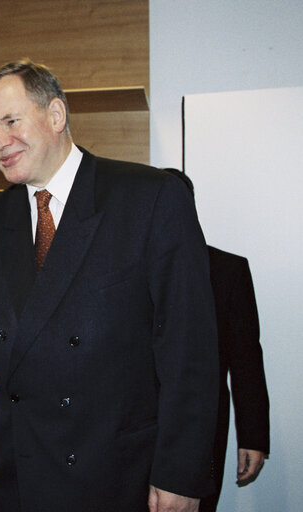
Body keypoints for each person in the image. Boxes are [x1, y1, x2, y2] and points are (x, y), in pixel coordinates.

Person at [0, 59, 220, 511]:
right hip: (25, 472)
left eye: (10, 121)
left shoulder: (148, 197)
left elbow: (190, 349)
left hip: (123, 473)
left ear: (56, 115)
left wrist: (182, 474)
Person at [161, 169, 270, 512]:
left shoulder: (227, 271)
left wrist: (253, 437)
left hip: (204, 430)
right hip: (136, 435)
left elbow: (246, 360)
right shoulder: (125, 273)